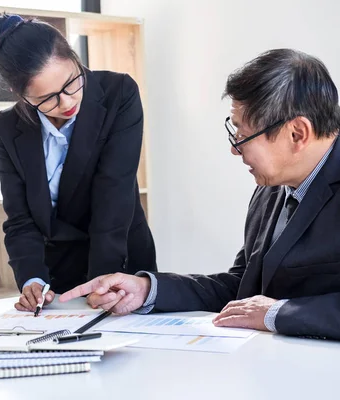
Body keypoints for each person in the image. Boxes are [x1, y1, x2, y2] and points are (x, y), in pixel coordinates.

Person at [60, 48, 340, 340]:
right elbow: (242, 287)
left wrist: (277, 314)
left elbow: (265, 309)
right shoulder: (271, 188)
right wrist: (148, 289)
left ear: (297, 134)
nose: (234, 148)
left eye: (243, 136)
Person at [0, 14, 157, 313]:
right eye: (48, 98)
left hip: (118, 264)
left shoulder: (118, 93)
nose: (66, 103)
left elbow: (113, 196)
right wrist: (31, 278)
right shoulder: (7, 127)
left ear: (75, 59)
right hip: (55, 278)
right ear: (20, 94)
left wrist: (102, 282)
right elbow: (20, 217)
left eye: (72, 83)